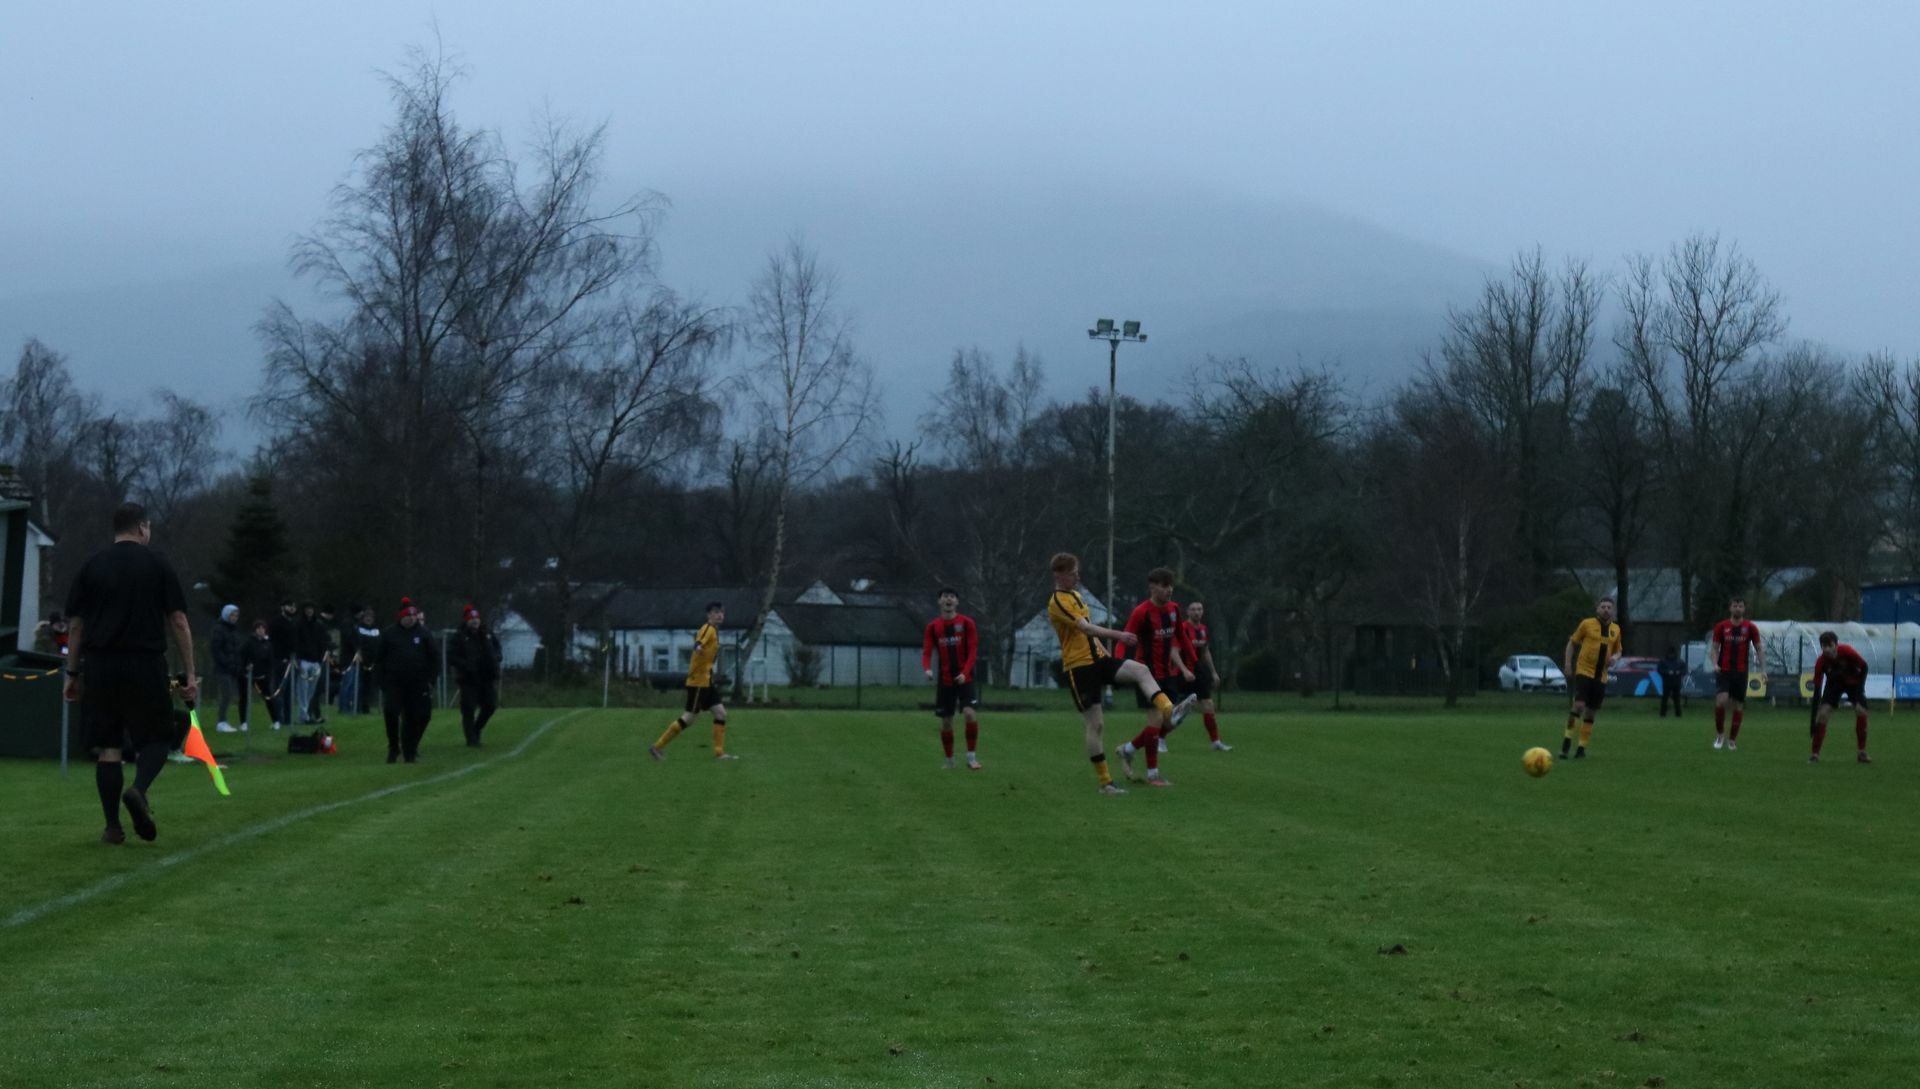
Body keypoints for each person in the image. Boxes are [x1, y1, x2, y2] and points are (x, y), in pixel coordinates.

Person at [61, 502, 198, 844]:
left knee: (108, 747)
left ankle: (112, 827)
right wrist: (190, 674)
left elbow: (76, 625)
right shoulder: (157, 564)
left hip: (101, 663)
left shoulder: (92, 565)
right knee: (158, 737)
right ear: (141, 528)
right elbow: (178, 621)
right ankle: (138, 790)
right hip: (145, 662)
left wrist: (72, 673)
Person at [1046, 552, 1179, 794]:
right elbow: (1085, 628)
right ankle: (1105, 783)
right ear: (1059, 574)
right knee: (1095, 725)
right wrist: (1118, 635)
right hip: (1080, 668)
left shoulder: (1076, 595)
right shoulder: (1057, 601)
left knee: (1141, 670)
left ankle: (1168, 708)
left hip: (1099, 660)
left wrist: (1106, 652)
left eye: (1077, 571)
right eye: (1073, 572)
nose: (1078, 575)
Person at [1114, 568, 1197, 784]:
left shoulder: (1173, 609)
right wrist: (1118, 665)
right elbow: (1124, 639)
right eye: (1164, 585)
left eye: (1171, 586)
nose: (1169, 590)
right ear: (1153, 587)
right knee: (1155, 720)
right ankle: (1153, 775)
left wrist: (1194, 661)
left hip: (1168, 674)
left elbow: (1181, 635)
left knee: (1167, 723)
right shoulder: (1141, 612)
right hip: (1146, 675)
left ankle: (1128, 749)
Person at [650, 602, 735, 760]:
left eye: (722, 612)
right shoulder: (708, 629)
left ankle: (719, 753)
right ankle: (657, 746)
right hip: (698, 682)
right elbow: (698, 643)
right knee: (689, 717)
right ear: (708, 615)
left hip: (707, 681)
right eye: (716, 612)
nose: (720, 615)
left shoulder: (715, 631)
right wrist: (698, 649)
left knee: (721, 713)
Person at [372, 597, 439, 763]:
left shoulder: (424, 634)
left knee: (418, 716)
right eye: (407, 616)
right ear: (401, 617)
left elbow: (434, 657)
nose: (411, 619)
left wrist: (431, 679)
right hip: (394, 682)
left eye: (413, 616)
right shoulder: (389, 634)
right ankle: (394, 746)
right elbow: (379, 660)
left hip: (418, 682)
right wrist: (382, 682)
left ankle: (410, 750)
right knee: (391, 712)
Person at [921, 587, 982, 769]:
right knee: (946, 721)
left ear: (957, 602)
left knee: (970, 713)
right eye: (945, 597)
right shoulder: (933, 627)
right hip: (945, 679)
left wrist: (965, 672)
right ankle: (949, 760)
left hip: (966, 677)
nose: (948, 600)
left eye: (952, 597)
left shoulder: (967, 623)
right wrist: (927, 669)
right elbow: (926, 651)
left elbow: (972, 650)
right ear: (940, 601)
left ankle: (971, 758)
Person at [1560, 595, 1621, 760]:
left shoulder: (1616, 629)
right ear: (1597, 609)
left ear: (1613, 610)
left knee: (1591, 713)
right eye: (1603, 607)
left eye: (1609, 607)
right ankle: (1566, 742)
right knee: (1579, 705)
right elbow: (1572, 643)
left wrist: (1615, 657)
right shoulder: (1587, 624)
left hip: (1601, 676)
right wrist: (1567, 664)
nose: (1606, 610)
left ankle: (1581, 748)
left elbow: (1618, 650)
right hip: (1584, 671)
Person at [1709, 596, 1764, 751]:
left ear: (1744, 609)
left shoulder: (1750, 628)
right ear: (1730, 608)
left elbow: (1759, 648)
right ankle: (1720, 735)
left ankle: (1732, 740)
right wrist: (1714, 663)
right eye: (1735, 605)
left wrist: (1763, 670)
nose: (1738, 608)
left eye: (1740, 606)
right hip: (1724, 670)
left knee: (1738, 705)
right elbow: (1714, 648)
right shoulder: (1721, 626)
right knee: (1721, 700)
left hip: (1740, 672)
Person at [1810, 631, 1872, 764]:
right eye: (1823, 646)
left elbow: (1864, 666)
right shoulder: (1821, 662)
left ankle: (1862, 753)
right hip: (1834, 685)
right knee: (1823, 714)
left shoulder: (1847, 651)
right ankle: (1815, 754)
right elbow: (1817, 689)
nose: (1826, 649)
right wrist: (1812, 720)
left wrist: (1860, 688)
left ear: (1836, 645)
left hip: (1853, 683)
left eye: (1829, 645)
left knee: (1861, 710)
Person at [1181, 600, 1232, 751]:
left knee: (1208, 704)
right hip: (1182, 672)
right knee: (1178, 709)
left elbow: (1205, 651)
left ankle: (1215, 741)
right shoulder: (1183, 628)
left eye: (1200, 609)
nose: (1197, 612)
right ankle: (1160, 738)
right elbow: (1174, 651)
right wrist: (1182, 669)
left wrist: (1213, 672)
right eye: (1194, 609)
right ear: (1188, 612)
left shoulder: (1203, 629)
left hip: (1199, 671)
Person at [449, 605, 503, 747]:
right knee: (468, 709)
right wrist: (465, 665)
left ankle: (476, 729)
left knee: (490, 706)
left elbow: (497, 647)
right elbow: (451, 656)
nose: (475, 621)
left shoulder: (487, 633)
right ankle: (471, 739)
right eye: (471, 619)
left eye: (476, 618)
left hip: (487, 676)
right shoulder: (459, 637)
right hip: (469, 678)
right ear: (466, 620)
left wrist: (497, 657)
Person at [209, 603, 248, 733]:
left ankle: (224, 720)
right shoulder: (219, 629)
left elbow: (237, 649)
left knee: (229, 695)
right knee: (226, 694)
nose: (234, 617)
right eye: (232, 615)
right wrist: (227, 662)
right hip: (223, 669)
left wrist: (238, 664)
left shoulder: (234, 630)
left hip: (233, 669)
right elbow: (216, 650)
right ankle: (221, 722)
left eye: (236, 615)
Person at [293, 601, 328, 725]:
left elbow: (323, 642)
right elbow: (296, 642)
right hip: (303, 661)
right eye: (307, 609)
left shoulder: (319, 626)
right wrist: (298, 658)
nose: (309, 611)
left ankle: (305, 713)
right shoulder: (298, 625)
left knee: (311, 690)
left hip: (316, 662)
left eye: (311, 609)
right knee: (303, 688)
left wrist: (320, 659)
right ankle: (304, 715)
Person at [266, 598, 298, 728]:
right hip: (279, 660)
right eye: (289, 606)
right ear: (283, 607)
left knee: (290, 690)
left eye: (293, 606)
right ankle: (278, 718)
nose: (292, 609)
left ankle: (288, 717)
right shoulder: (276, 622)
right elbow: (274, 642)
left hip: (291, 660)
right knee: (279, 689)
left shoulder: (293, 623)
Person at [243, 619, 275, 718]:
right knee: (245, 698)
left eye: (263, 628)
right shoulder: (249, 642)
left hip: (263, 675)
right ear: (255, 630)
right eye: (258, 628)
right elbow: (244, 656)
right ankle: (244, 722)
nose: (261, 630)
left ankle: (275, 720)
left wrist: (268, 674)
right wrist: (247, 666)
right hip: (250, 675)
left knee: (268, 698)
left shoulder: (267, 644)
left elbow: (270, 661)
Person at [1656, 645, 1687, 719]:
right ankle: (1663, 713)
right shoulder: (1664, 661)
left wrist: (1678, 672)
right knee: (1665, 698)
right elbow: (1659, 670)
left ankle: (1677, 713)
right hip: (1668, 682)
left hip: (1675, 682)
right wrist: (1667, 672)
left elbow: (1684, 671)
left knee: (1676, 699)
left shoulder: (1679, 662)